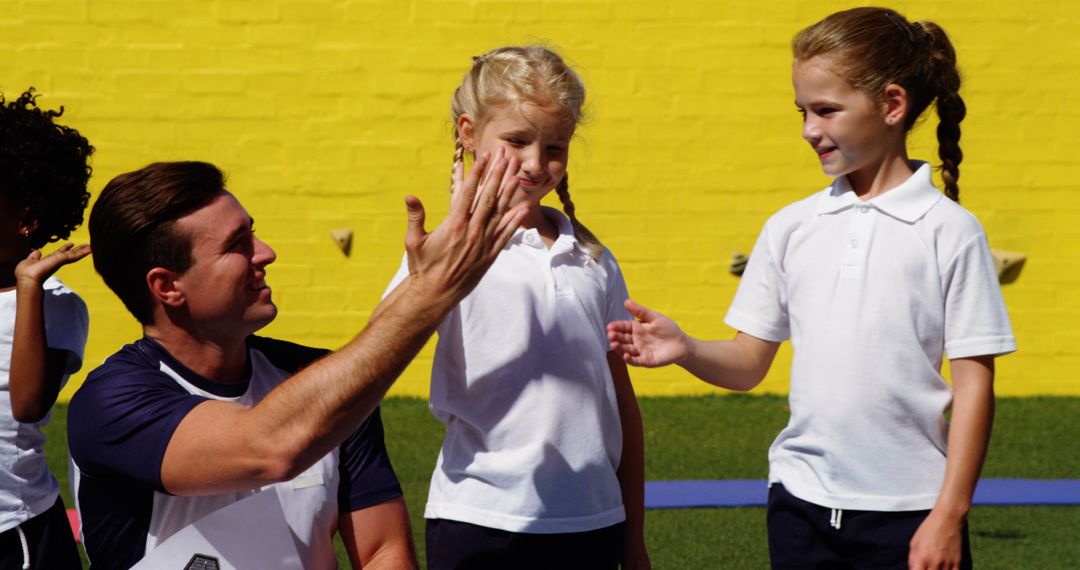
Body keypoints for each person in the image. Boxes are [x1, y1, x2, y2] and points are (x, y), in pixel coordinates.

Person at [607, 8, 1015, 570]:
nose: (808, 130)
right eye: (802, 111)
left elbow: (974, 390)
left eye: (826, 110)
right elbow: (749, 362)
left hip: (912, 513)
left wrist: (948, 515)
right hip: (798, 507)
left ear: (892, 105)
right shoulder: (790, 227)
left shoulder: (951, 232)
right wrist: (687, 349)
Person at [67, 156, 526, 569]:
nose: (266, 253)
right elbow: (268, 448)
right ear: (167, 287)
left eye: (253, 232)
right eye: (237, 244)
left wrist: (428, 287)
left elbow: (382, 552)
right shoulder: (109, 404)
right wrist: (429, 291)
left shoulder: (320, 382)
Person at [385, 46, 649, 569]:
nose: (536, 163)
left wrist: (633, 535)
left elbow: (621, 403)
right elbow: (375, 354)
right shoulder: (441, 250)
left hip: (594, 520)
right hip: (481, 521)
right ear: (468, 133)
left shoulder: (592, 257)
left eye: (555, 145)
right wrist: (426, 280)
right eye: (516, 141)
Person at [0, 89, 92, 570]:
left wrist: (29, 285)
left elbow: (29, 404)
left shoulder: (55, 305)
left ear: (26, 220)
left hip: (16, 532)